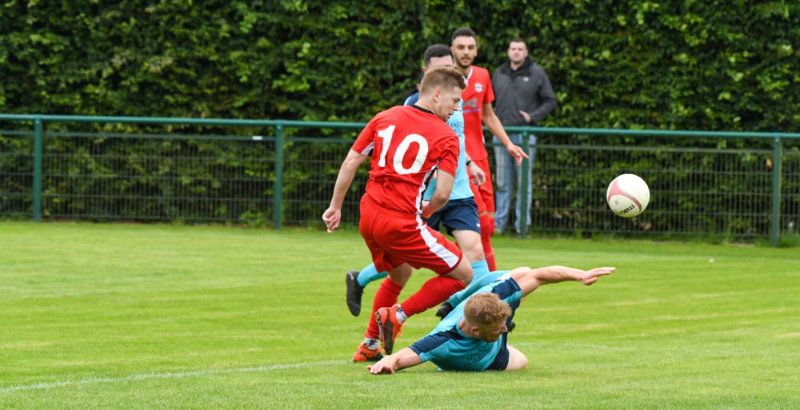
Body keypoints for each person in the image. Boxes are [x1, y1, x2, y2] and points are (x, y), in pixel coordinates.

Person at [322, 65, 474, 363]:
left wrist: (335, 206)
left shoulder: (385, 116)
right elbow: (442, 194)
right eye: (455, 101)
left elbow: (351, 161)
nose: (457, 109)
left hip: (368, 216)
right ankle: (398, 314)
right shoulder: (446, 136)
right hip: (401, 221)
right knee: (463, 274)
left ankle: (369, 344)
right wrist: (427, 211)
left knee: (400, 272)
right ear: (436, 94)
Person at [345, 45, 490, 334]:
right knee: (408, 269)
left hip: (457, 192)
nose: (457, 106)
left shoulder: (453, 101)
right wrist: (428, 202)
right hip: (422, 200)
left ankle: (481, 313)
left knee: (474, 251)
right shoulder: (412, 107)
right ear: (429, 79)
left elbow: (456, 141)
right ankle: (384, 314)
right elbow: (418, 153)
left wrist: (470, 163)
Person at [366, 265, 614, 374]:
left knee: (522, 272)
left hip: (496, 349)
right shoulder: (443, 340)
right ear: (475, 330)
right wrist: (388, 363)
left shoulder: (499, 298)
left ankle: (458, 297)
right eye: (499, 327)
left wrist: (579, 275)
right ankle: (459, 299)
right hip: (489, 361)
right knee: (521, 360)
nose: (506, 328)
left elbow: (539, 275)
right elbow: (401, 356)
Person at [450, 27, 528, 272]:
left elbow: (488, 115)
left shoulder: (482, 75)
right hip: (459, 162)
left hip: (480, 159)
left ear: (476, 50)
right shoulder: (444, 79)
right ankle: (489, 283)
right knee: (478, 226)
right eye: (461, 47)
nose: (465, 52)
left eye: (470, 47)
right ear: (452, 50)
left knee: (488, 228)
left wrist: (508, 144)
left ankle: (466, 280)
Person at [492, 38, 556, 234]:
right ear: (508, 51)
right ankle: (499, 226)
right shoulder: (499, 73)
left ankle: (522, 226)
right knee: (502, 183)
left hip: (525, 137)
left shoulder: (536, 73)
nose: (516, 52)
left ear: (526, 52)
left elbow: (550, 100)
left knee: (523, 183)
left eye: (520, 49)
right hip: (501, 135)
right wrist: (493, 114)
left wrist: (532, 117)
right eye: (513, 48)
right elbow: (489, 101)